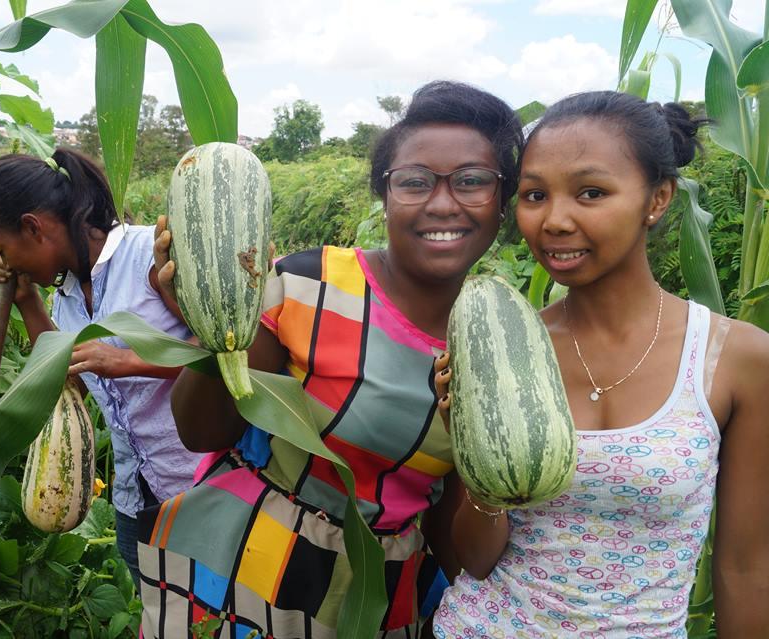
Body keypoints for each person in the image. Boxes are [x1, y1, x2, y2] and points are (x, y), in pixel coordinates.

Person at [138, 81, 524, 637]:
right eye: (414, 182)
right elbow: (203, 432)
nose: (443, 203)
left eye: (471, 181)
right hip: (240, 564)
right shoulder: (308, 282)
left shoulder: (493, 342)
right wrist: (210, 326)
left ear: (502, 199)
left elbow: (456, 536)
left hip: (374, 594)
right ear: (384, 196)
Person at [432, 91, 769, 638]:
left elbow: (747, 568)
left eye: (591, 192)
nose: (555, 220)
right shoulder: (503, 348)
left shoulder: (736, 358)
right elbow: (476, 559)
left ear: (657, 199)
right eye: (534, 194)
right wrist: (479, 467)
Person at [0, 148, 203, 588]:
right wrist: (27, 298)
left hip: (201, 489)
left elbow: (216, 352)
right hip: (135, 499)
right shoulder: (66, 294)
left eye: (1, 249)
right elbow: (68, 385)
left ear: (33, 227)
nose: (5, 262)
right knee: (160, 617)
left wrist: (130, 361)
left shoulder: (150, 256)